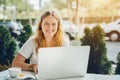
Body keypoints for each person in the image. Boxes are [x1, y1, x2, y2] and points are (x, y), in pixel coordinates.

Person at [12, 9, 70, 74]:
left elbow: (69, 63)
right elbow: (15, 63)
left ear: (58, 26)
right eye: (46, 23)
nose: (50, 27)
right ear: (41, 25)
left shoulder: (64, 41)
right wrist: (33, 66)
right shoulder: (33, 41)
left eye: (53, 24)